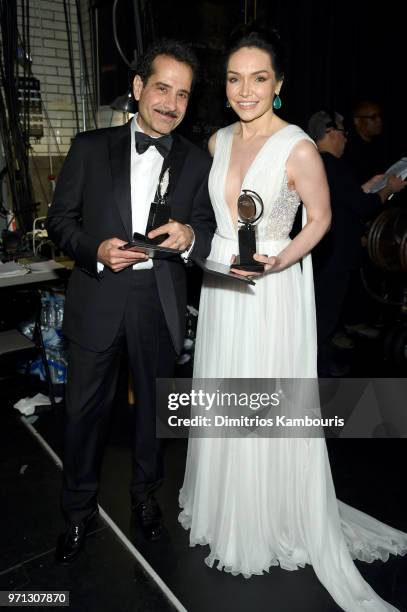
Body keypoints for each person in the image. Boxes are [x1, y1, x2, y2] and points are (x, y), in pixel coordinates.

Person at [178, 24, 407, 611]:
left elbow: (322, 218)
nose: (245, 90)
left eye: (258, 79)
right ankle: (226, 503)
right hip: (223, 283)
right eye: (234, 79)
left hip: (273, 289)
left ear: (278, 85)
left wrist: (283, 258)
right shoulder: (218, 141)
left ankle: (270, 511)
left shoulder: (298, 146)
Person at [47, 39, 215, 563]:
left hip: (158, 300)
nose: (170, 103)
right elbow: (60, 223)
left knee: (154, 416)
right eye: (161, 87)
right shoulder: (89, 147)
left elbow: (209, 228)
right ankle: (77, 514)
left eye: (182, 94)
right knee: (82, 415)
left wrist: (189, 235)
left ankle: (145, 498)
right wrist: (94, 250)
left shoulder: (196, 160)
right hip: (97, 294)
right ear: (139, 87)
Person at [307, 110, 406, 377]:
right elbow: (362, 206)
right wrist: (389, 190)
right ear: (330, 133)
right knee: (324, 319)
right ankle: (319, 372)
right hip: (333, 257)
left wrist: (371, 184)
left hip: (321, 255)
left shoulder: (315, 162)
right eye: (343, 133)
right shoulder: (332, 165)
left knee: (319, 316)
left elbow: (344, 200)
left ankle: (318, 367)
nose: (346, 140)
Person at [344, 100, 388, 184]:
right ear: (357, 121)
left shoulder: (380, 145)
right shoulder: (349, 150)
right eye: (373, 117)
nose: (379, 120)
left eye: (380, 116)